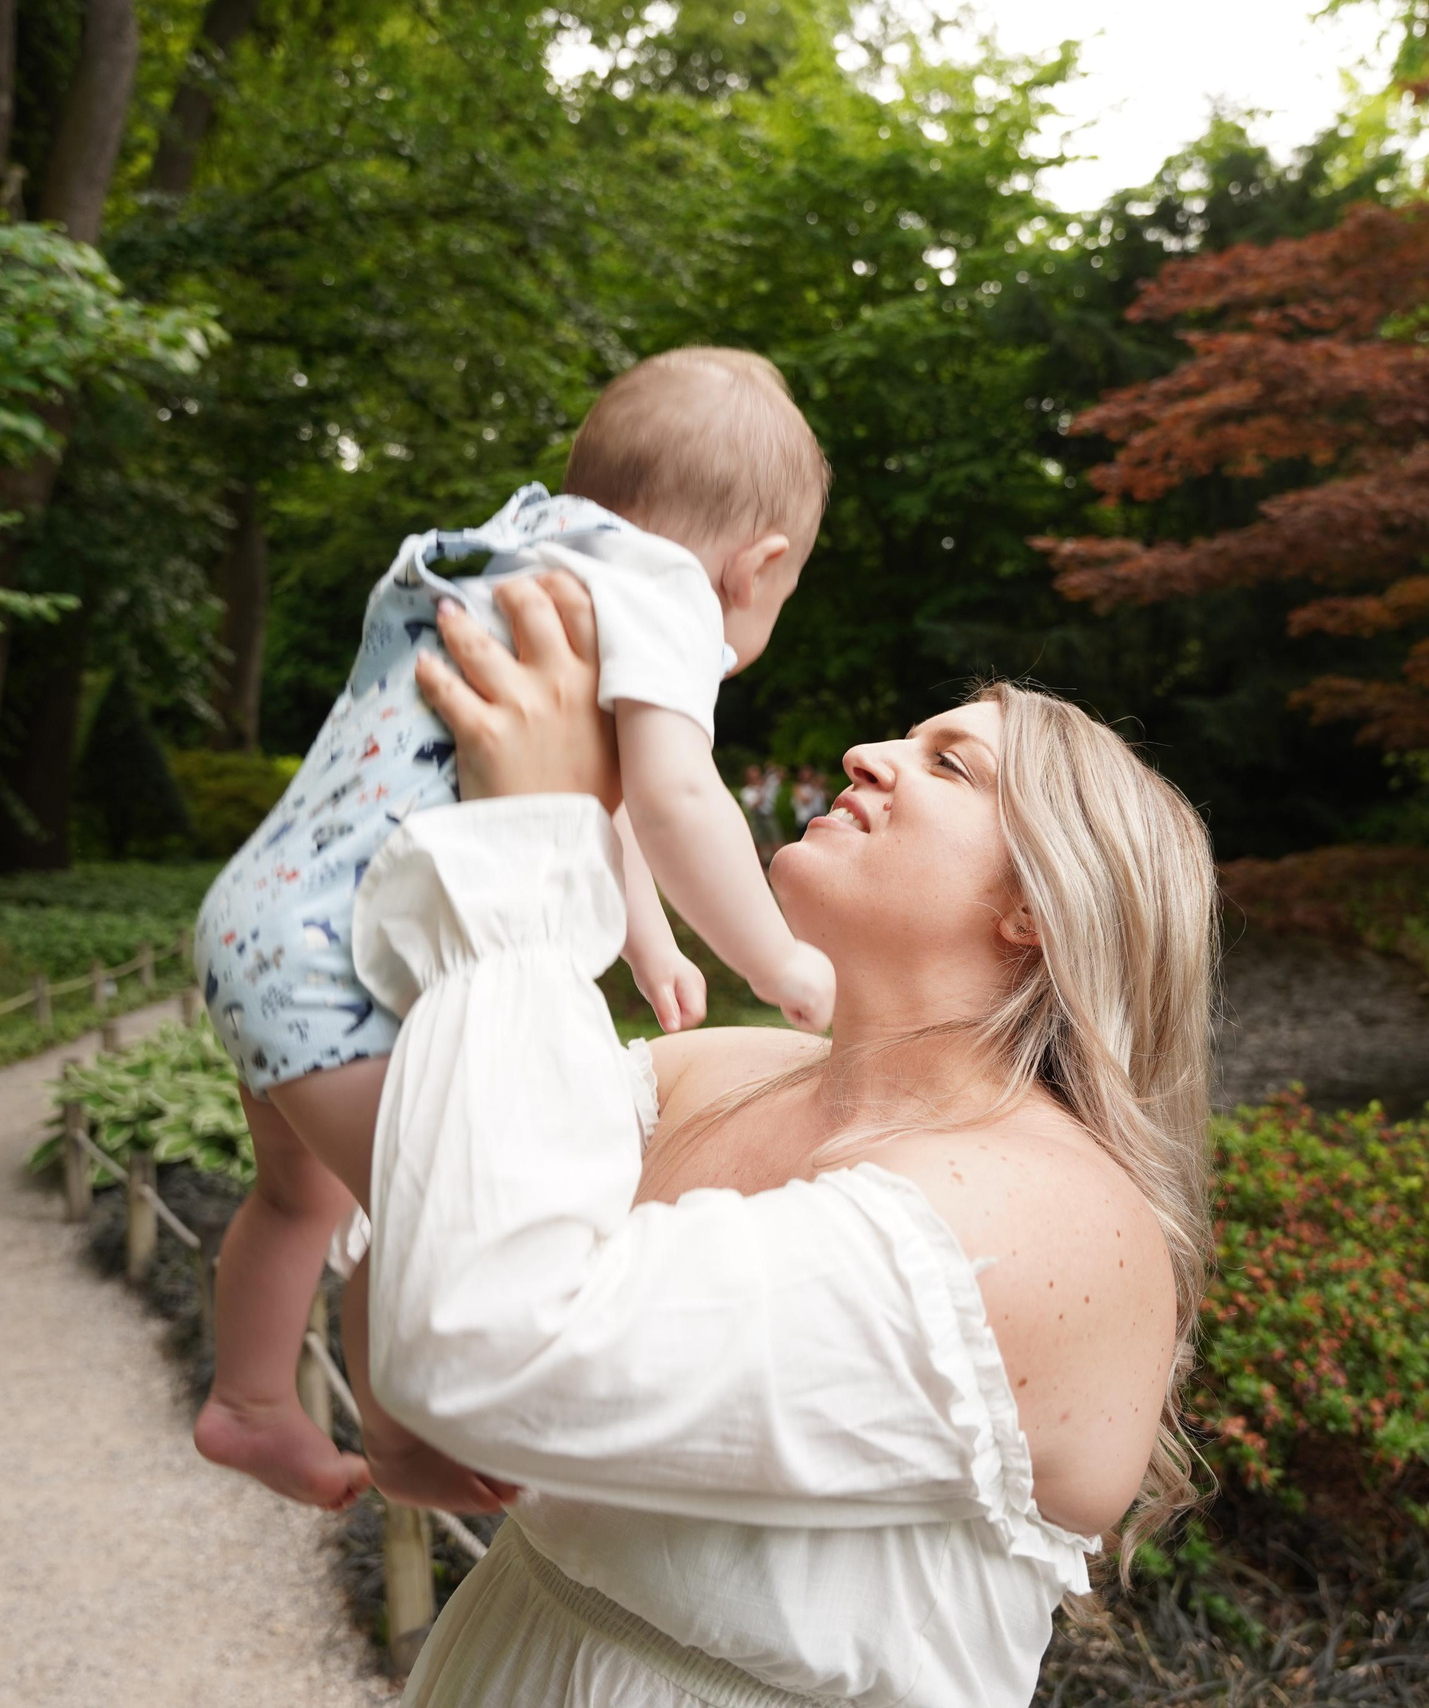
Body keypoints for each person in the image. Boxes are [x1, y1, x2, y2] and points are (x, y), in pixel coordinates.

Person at [323, 574, 1219, 1704]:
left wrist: (530, 853)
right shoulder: (707, 1071)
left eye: (949, 763)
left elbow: (485, 1353)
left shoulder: (1054, 1224)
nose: (864, 752)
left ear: (1038, 908)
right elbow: (407, 1233)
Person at [188, 349, 838, 1510]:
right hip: (335, 964)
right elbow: (679, 793)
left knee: (299, 1196)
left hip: (263, 921)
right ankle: (395, 1436)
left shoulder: (526, 547)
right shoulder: (665, 594)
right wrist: (776, 958)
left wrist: (651, 941)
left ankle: (250, 1401)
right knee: (434, 1194)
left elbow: (601, 797)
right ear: (762, 565)